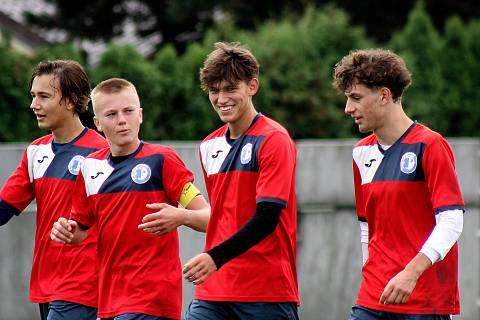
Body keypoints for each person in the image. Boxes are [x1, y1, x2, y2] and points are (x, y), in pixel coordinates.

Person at [50, 78, 210, 320]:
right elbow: (81, 229)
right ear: (98, 123)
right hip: (109, 299)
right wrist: (68, 231)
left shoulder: (162, 160)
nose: (122, 120)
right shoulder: (90, 167)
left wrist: (181, 216)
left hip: (152, 300)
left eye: (128, 111)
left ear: (140, 115)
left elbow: (209, 217)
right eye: (112, 114)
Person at [333, 49, 464, 319]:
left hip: (425, 301)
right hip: (372, 298)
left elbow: (452, 221)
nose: (348, 109)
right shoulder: (361, 153)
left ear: (384, 95)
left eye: (355, 97)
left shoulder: (430, 145)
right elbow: (366, 228)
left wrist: (411, 273)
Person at [182, 42, 299, 320]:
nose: (221, 98)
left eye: (230, 88)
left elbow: (267, 218)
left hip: (265, 292)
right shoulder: (208, 146)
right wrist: (182, 216)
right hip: (213, 291)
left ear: (252, 86)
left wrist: (215, 258)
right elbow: (222, 218)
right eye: (214, 91)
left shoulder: (274, 140)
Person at [0, 60, 108, 319]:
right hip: (46, 283)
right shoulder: (36, 152)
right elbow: (3, 208)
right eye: (33, 96)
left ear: (71, 101)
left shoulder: (103, 153)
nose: (34, 105)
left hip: (84, 285)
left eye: (44, 96)